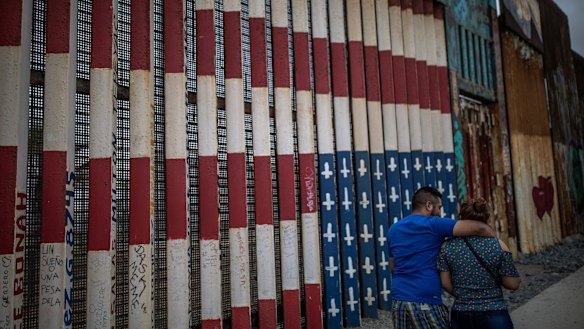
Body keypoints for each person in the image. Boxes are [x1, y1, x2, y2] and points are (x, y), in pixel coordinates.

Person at [388, 187, 496, 329]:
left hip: (398, 301)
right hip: (425, 300)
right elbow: (480, 228)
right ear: (428, 205)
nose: (440, 212)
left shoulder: (394, 229)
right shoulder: (433, 224)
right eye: (439, 207)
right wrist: (497, 245)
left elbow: (393, 266)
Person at [438, 198, 521, 329]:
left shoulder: (447, 247)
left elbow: (444, 282)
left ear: (461, 218)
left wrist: (463, 294)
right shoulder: (499, 246)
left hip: (462, 313)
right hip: (494, 312)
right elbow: (512, 284)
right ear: (486, 218)